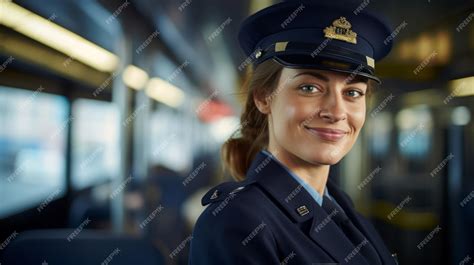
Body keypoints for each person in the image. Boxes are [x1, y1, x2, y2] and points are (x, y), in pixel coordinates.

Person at [189, 0, 398, 264]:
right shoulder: (234, 222)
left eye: (353, 93)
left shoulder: (340, 205)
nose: (336, 112)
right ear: (264, 98)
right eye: (309, 88)